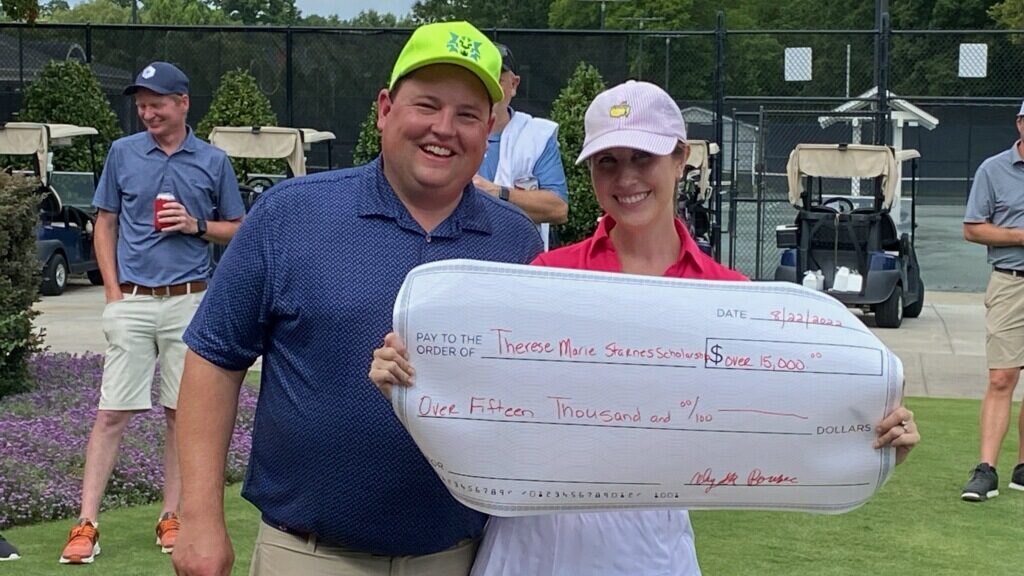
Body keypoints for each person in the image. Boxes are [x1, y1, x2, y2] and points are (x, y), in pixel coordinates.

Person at [370, 80, 921, 576]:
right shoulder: (546, 279)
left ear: (680, 158)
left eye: (643, 157)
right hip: (531, 541)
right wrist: (411, 377)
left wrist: (870, 443)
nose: (626, 178)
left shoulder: (732, 295)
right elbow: (483, 400)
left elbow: (778, 423)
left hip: (651, 545)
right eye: (607, 162)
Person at [171, 21, 544, 576]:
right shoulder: (290, 215)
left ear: (489, 127)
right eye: (427, 105)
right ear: (385, 108)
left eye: (467, 114)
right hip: (307, 554)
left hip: (457, 557)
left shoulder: (515, 241)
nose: (444, 128)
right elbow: (214, 359)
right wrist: (198, 518)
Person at [58, 61, 245, 565]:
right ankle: (86, 524)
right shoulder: (122, 154)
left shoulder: (213, 160)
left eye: (156, 103)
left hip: (191, 301)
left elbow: (239, 227)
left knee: (181, 416)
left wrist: (195, 223)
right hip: (133, 301)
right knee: (111, 413)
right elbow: (105, 224)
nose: (146, 112)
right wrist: (113, 295)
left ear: (183, 103)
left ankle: (171, 517)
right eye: (141, 105)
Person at [960, 100, 1024, 502]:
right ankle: (987, 470)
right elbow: (972, 228)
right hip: (1010, 282)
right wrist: (1021, 236)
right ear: (1020, 123)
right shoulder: (993, 169)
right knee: (1002, 377)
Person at [472, 42, 569, 249]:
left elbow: (558, 209)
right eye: (481, 78)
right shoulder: (449, 133)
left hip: (520, 262)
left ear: (514, 85)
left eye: (496, 80)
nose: (488, 89)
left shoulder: (537, 135)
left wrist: (497, 193)